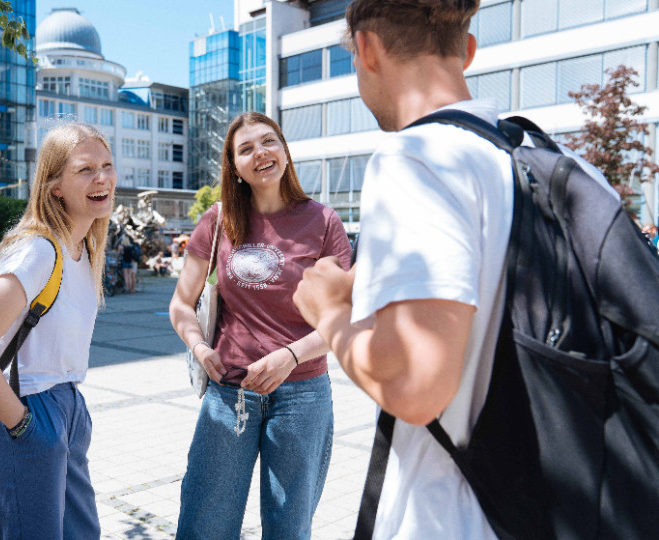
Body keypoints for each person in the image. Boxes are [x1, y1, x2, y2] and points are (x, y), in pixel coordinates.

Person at [293, 1, 614, 537]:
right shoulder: (569, 168)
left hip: (460, 518)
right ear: (467, 50)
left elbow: (417, 384)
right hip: (573, 506)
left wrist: (329, 313)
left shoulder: (417, 158)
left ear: (366, 48)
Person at [170, 112, 353, 539]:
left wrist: (290, 356)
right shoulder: (217, 222)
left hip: (302, 395)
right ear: (235, 167)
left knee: (288, 528)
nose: (261, 153)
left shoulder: (323, 222)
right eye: (246, 149)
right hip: (229, 392)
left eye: (269, 142)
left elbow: (341, 318)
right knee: (204, 524)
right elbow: (181, 302)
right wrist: (199, 347)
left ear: (285, 151)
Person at [0, 123, 115, 539]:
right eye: (85, 170)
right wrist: (23, 426)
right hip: (25, 412)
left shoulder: (83, 250)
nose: (102, 178)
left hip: (66, 406)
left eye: (107, 166)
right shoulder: (38, 250)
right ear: (54, 185)